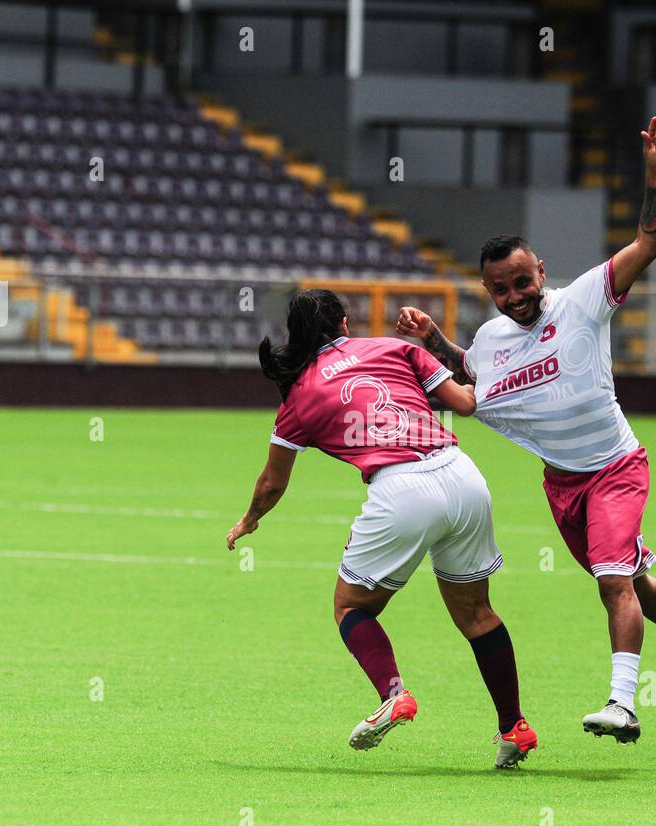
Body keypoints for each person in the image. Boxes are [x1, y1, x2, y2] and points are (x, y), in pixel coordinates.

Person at [397, 117, 656, 746]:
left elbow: (649, 243)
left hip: (616, 469)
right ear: (488, 290)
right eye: (500, 288)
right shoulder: (491, 339)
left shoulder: (585, 299)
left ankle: (623, 704)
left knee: (613, 581)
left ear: (541, 272)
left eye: (523, 281)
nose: (515, 295)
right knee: (631, 582)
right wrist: (433, 342)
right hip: (563, 485)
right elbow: (473, 382)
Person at [227, 288, 539, 768]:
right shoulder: (398, 348)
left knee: (351, 605)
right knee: (477, 614)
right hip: (462, 474)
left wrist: (250, 519)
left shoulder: (300, 393)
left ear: (299, 336)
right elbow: (467, 402)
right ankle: (514, 727)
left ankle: (395, 694)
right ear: (345, 324)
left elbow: (272, 482)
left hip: (401, 490)